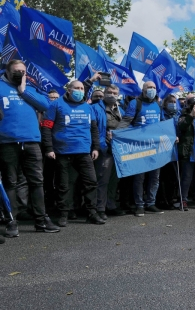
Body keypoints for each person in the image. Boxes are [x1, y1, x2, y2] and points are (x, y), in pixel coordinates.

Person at [0, 60, 60, 236]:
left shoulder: (30, 88)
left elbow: (46, 105)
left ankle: (41, 220)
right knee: (10, 182)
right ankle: (12, 221)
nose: (20, 74)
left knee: (37, 182)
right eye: (16, 71)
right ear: (7, 72)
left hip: (32, 142)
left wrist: (24, 91)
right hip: (7, 143)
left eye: (23, 71)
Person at [41, 80, 105, 226]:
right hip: (62, 152)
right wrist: (49, 149)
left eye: (82, 88)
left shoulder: (88, 108)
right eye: (76, 88)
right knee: (63, 185)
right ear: (68, 90)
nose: (80, 90)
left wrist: (95, 147)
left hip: (84, 152)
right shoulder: (56, 105)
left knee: (91, 182)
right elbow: (46, 127)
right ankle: (63, 214)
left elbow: (94, 129)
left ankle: (92, 213)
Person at [117, 81, 164, 217]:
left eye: (154, 87)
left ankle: (151, 203)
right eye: (149, 87)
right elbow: (126, 121)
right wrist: (118, 133)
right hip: (140, 146)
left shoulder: (157, 104)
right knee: (140, 177)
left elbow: (161, 123)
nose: (152, 89)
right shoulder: (135, 103)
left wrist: (171, 135)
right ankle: (139, 205)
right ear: (143, 89)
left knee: (155, 176)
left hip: (155, 146)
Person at [91, 84, 125, 217]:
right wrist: (99, 145)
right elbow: (93, 129)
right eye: (109, 92)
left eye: (115, 92)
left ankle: (111, 205)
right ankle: (100, 208)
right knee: (102, 180)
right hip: (103, 149)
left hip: (118, 150)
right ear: (105, 93)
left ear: (118, 94)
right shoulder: (95, 108)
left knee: (114, 180)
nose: (112, 94)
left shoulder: (121, 110)